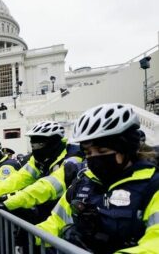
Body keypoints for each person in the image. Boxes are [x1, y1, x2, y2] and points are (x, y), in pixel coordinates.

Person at [36, 103, 159, 253]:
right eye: (88, 152)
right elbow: (57, 221)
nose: (94, 158)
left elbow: (154, 245)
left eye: (102, 150)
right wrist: (33, 234)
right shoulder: (83, 182)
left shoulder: (153, 186)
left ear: (126, 149)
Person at [0, 121, 83, 225]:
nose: (35, 149)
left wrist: (9, 202)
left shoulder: (73, 159)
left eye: (39, 144)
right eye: (33, 145)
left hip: (71, 215)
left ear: (53, 142)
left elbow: (48, 186)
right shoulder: (39, 159)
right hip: (50, 210)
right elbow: (18, 179)